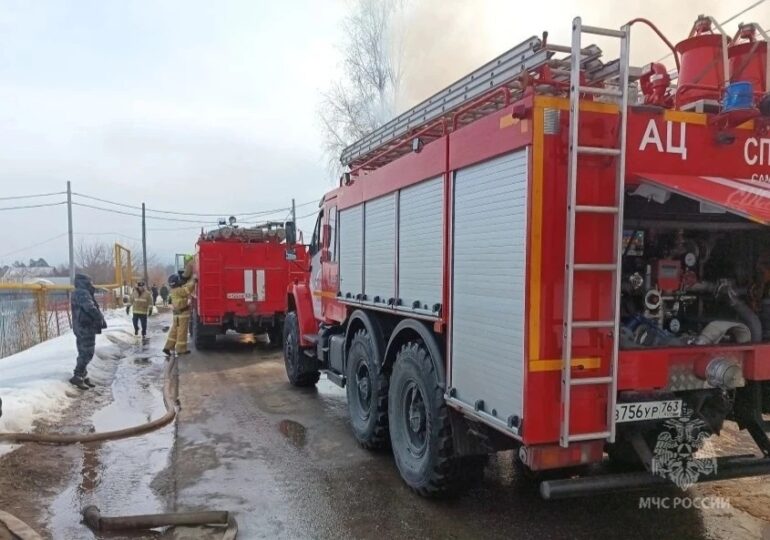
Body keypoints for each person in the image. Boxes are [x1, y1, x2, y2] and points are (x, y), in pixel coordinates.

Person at [70, 273, 107, 390]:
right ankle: (78, 375)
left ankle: (82, 375)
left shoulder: (80, 292)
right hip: (85, 327)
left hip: (81, 326)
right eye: (89, 281)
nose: (91, 283)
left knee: (83, 351)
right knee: (87, 352)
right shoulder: (82, 292)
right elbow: (89, 307)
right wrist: (98, 317)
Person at [163, 273, 196, 356]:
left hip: (176, 315)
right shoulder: (178, 290)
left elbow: (184, 289)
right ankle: (181, 350)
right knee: (182, 332)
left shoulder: (173, 290)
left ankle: (168, 347)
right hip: (182, 314)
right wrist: (193, 281)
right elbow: (187, 290)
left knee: (174, 331)